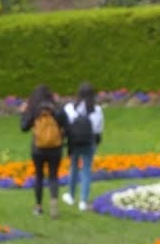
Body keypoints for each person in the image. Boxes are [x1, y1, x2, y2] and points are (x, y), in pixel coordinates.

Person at [19, 84, 68, 217]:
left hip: (38, 148)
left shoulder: (34, 109)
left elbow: (23, 127)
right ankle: (53, 200)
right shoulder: (56, 108)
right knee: (53, 175)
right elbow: (66, 125)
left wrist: (23, 112)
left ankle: (39, 206)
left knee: (39, 176)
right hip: (55, 148)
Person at [62, 82, 105, 212]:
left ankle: (70, 195)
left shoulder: (70, 108)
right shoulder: (97, 110)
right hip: (89, 142)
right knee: (86, 170)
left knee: (73, 167)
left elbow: (65, 125)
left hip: (74, 142)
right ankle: (83, 200)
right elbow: (98, 129)